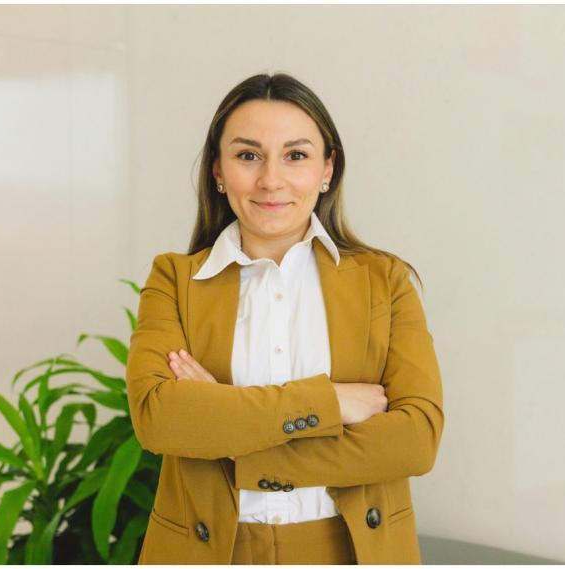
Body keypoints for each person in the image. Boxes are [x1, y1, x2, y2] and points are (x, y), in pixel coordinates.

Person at [125, 72, 444, 565]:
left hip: (351, 552)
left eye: (295, 155)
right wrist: (329, 403)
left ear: (327, 169)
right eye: (247, 155)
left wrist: (227, 428)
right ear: (217, 169)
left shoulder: (385, 281)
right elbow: (160, 419)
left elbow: (416, 440)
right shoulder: (175, 280)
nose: (270, 179)